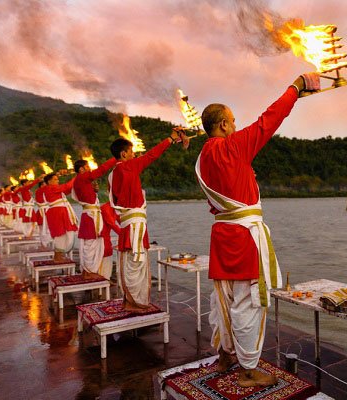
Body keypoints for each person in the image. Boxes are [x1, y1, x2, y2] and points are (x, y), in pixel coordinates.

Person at [195, 74, 320, 387]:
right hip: (244, 237)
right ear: (223, 125)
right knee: (250, 302)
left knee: (222, 299)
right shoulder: (233, 147)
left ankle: (225, 355)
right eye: (233, 122)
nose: (237, 126)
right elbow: (271, 118)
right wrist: (296, 86)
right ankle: (248, 369)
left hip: (221, 235)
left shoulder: (202, 158)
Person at [109, 130, 182, 311]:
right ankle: (135, 303)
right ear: (124, 153)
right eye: (131, 152)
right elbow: (152, 155)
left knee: (129, 262)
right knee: (137, 263)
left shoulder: (114, 173)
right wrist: (170, 139)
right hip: (134, 225)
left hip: (128, 224)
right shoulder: (127, 167)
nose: (134, 155)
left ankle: (129, 300)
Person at [72, 156, 117, 278]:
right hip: (91, 216)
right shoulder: (82, 177)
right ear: (81, 169)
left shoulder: (80, 180)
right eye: (87, 167)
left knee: (91, 244)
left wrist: (94, 191)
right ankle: (89, 272)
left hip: (90, 215)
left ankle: (88, 271)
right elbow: (101, 169)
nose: (89, 169)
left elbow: (87, 196)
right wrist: (115, 159)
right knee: (90, 244)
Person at [43, 172, 77, 262]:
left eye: (57, 179)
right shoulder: (50, 188)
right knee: (59, 234)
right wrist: (77, 177)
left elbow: (67, 189)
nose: (57, 181)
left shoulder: (54, 188)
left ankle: (59, 255)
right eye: (55, 179)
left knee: (64, 233)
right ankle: (57, 256)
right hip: (56, 212)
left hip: (60, 211)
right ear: (49, 181)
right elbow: (66, 186)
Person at [35, 181, 52, 248]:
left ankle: (44, 243)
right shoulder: (39, 191)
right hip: (43, 211)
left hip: (45, 210)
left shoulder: (41, 191)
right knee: (44, 228)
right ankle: (44, 243)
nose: (46, 186)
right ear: (41, 185)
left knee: (44, 229)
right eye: (45, 185)